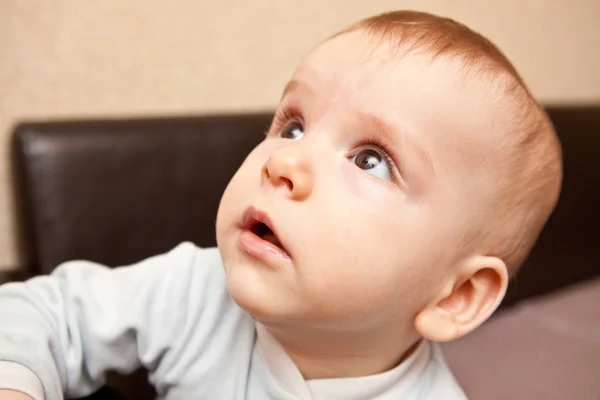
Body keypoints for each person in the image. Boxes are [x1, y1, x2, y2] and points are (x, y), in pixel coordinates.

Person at [0, 10, 562, 400]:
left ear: (457, 295)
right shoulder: (197, 292)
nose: (281, 163)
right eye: (293, 126)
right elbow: (47, 313)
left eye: (371, 159)